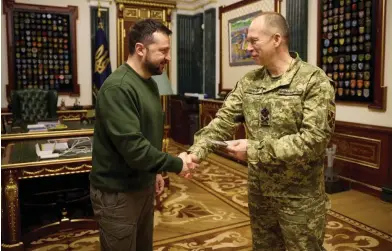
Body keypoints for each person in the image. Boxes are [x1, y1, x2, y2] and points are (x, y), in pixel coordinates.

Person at [185, 12, 336, 251]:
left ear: (276, 39)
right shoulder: (250, 82)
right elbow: (222, 121)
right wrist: (195, 153)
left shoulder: (313, 81)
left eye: (254, 40)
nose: (248, 47)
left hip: (299, 199)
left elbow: (313, 141)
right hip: (260, 195)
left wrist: (254, 150)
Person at [89, 19, 197, 251]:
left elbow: (149, 135)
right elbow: (135, 149)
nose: (168, 58)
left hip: (142, 185)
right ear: (140, 49)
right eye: (163, 51)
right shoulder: (118, 88)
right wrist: (177, 163)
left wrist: (156, 171)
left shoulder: (149, 83)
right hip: (118, 193)